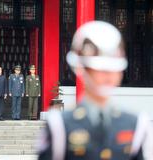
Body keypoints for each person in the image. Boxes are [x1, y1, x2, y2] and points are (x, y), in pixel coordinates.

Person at [37, 21, 153, 160]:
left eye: (113, 69)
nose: (108, 76)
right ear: (81, 68)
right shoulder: (59, 126)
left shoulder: (136, 124)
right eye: (100, 69)